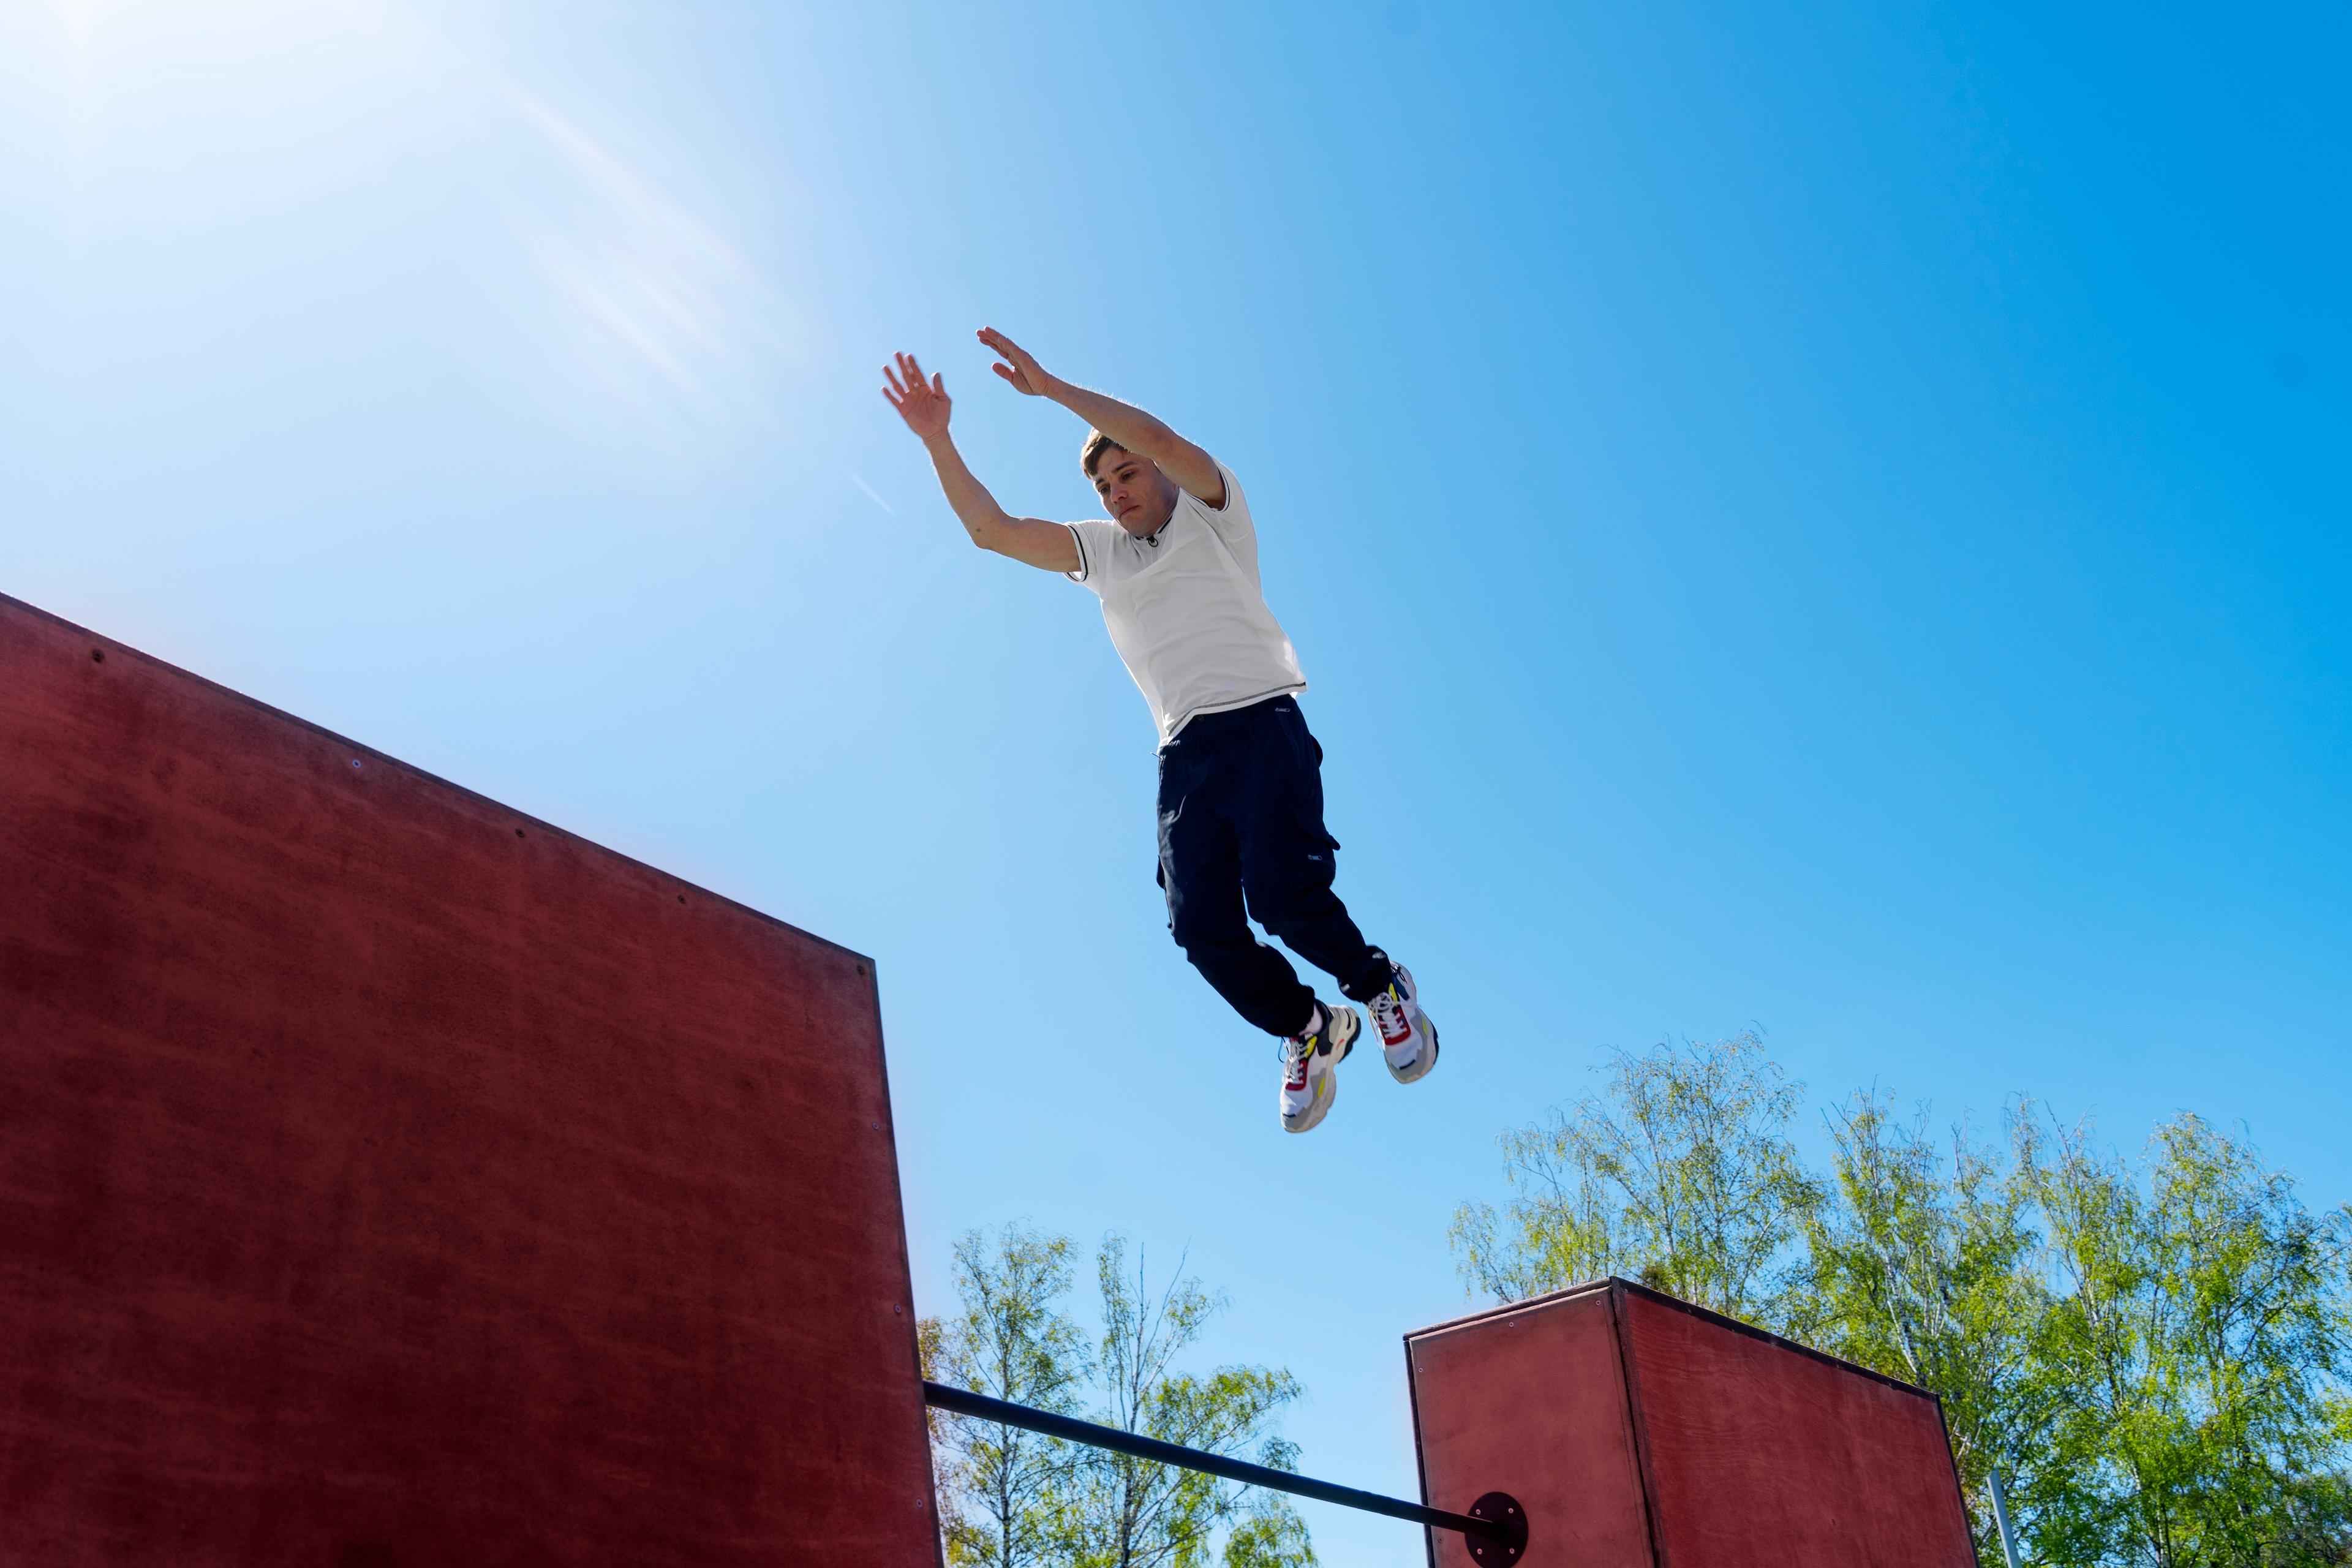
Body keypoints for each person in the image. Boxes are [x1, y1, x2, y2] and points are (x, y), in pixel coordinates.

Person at [882, 330, 1437, 1134]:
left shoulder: (1213, 513)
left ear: (1160, 475)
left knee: (1282, 895)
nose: (1116, 493)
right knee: (1198, 925)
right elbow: (992, 531)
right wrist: (938, 441)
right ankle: (1311, 1030)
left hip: (1262, 725)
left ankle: (1381, 988)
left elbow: (1163, 440)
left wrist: (1053, 390)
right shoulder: (1102, 554)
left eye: (1126, 474)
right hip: (1183, 758)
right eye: (1103, 486)